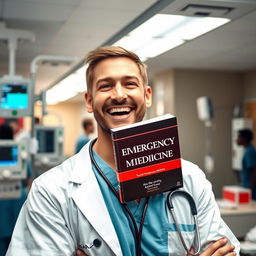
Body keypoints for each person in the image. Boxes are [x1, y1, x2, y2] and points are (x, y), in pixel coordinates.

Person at [6, 46, 239, 256]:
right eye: (105, 86)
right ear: (89, 100)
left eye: (130, 84)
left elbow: (226, 250)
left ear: (147, 96)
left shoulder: (191, 179)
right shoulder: (51, 191)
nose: (118, 95)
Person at [0, 124, 32, 255]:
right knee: (18, 240)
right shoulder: (19, 151)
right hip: (17, 198)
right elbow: (28, 178)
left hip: (2, 203)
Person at [236, 128, 256, 200]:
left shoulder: (250, 151)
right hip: (247, 188)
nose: (236, 139)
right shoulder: (247, 150)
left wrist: (249, 189)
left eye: (239, 137)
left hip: (250, 190)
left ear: (244, 138)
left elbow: (254, 171)